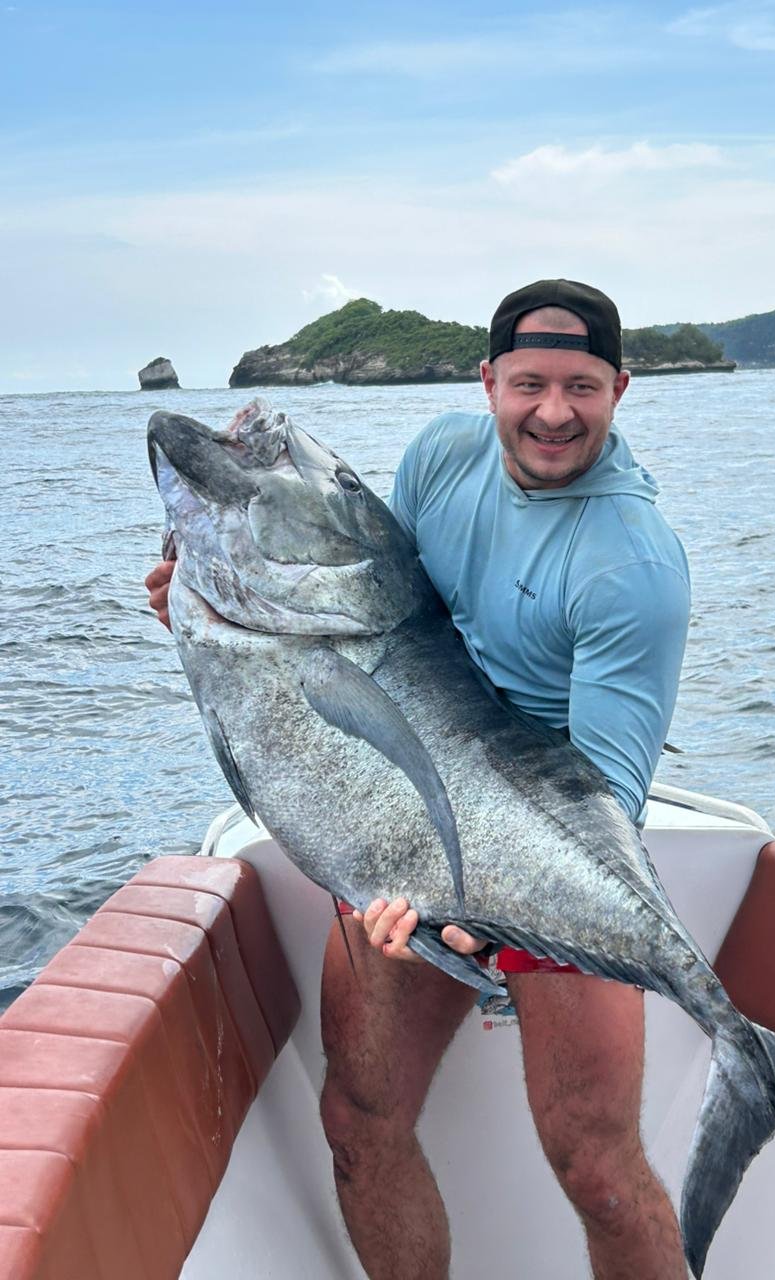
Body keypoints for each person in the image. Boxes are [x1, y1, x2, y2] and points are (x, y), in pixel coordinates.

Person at [145, 279, 690, 1280]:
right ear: (488, 382)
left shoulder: (634, 566)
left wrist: (483, 916)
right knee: (358, 1118)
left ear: (620, 389)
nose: (554, 412)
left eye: (581, 387)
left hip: (541, 843)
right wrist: (215, 607)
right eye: (529, 384)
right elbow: (381, 610)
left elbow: (607, 791)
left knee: (599, 1168)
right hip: (400, 811)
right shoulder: (441, 455)